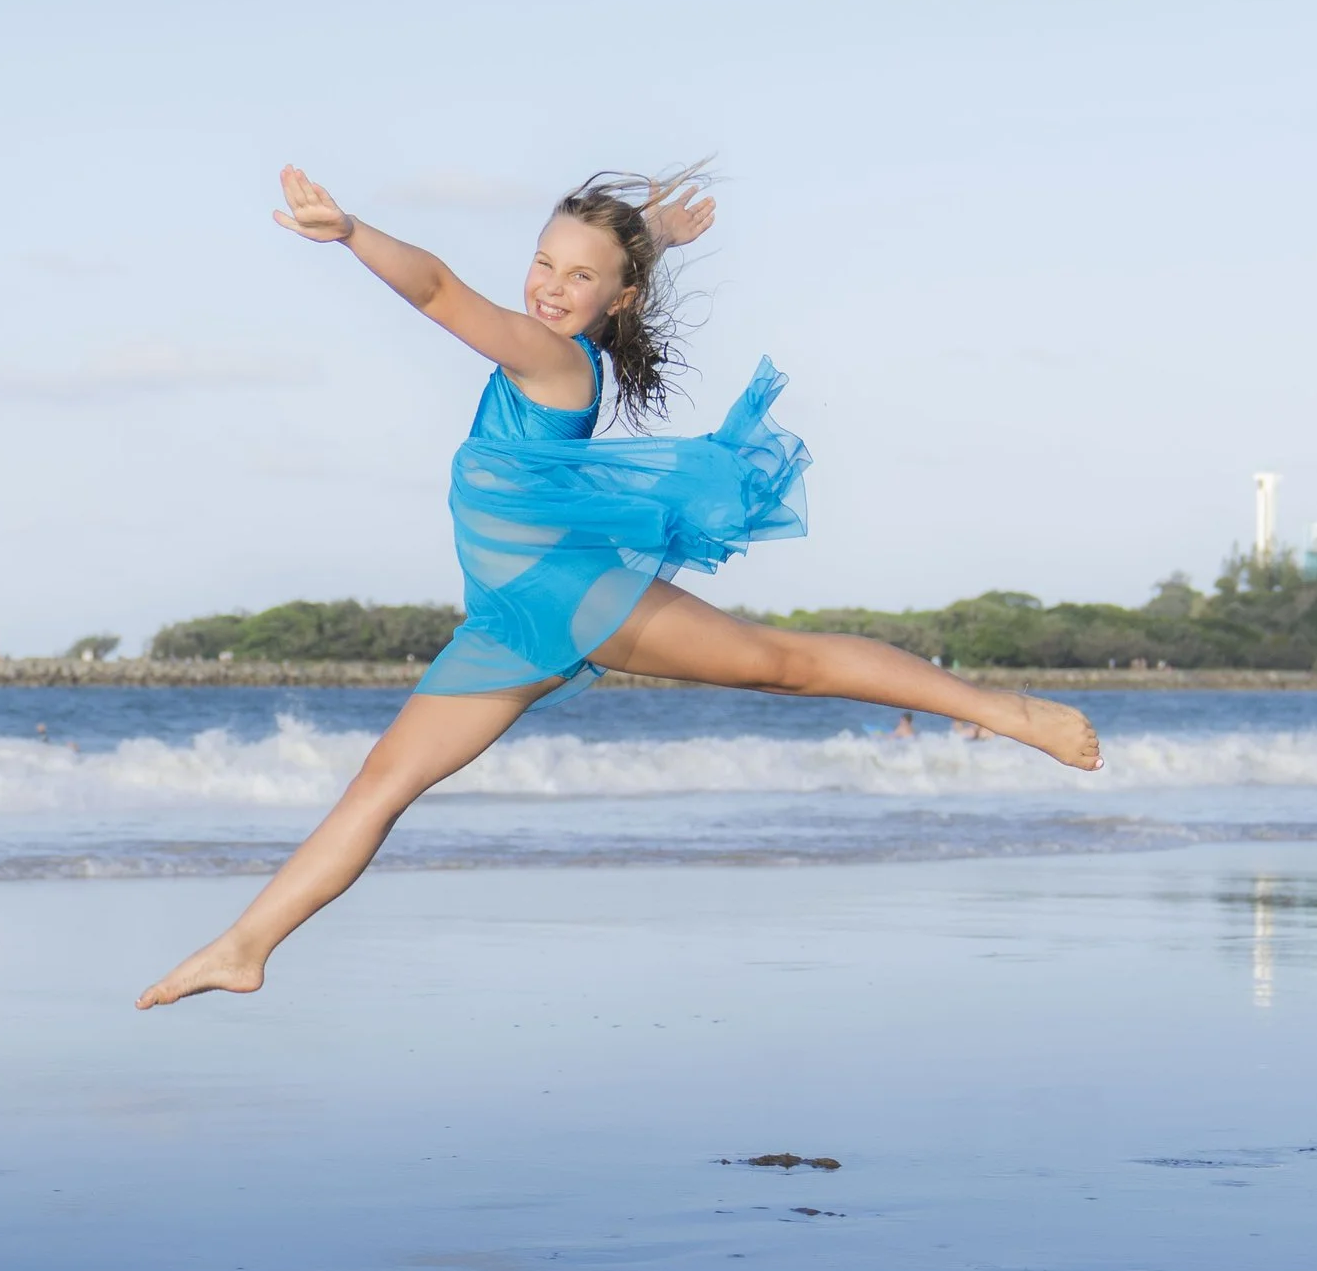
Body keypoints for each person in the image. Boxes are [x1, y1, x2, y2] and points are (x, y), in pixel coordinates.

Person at [137, 167, 1102, 1007]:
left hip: (566, 594)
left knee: (785, 664)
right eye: (545, 264)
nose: (552, 287)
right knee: (382, 782)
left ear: (616, 297)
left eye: (580, 276)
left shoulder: (550, 357)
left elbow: (434, 287)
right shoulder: (567, 335)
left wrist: (351, 234)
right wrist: (657, 238)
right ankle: (246, 947)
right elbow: (585, 281)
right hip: (505, 618)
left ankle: (1006, 712)